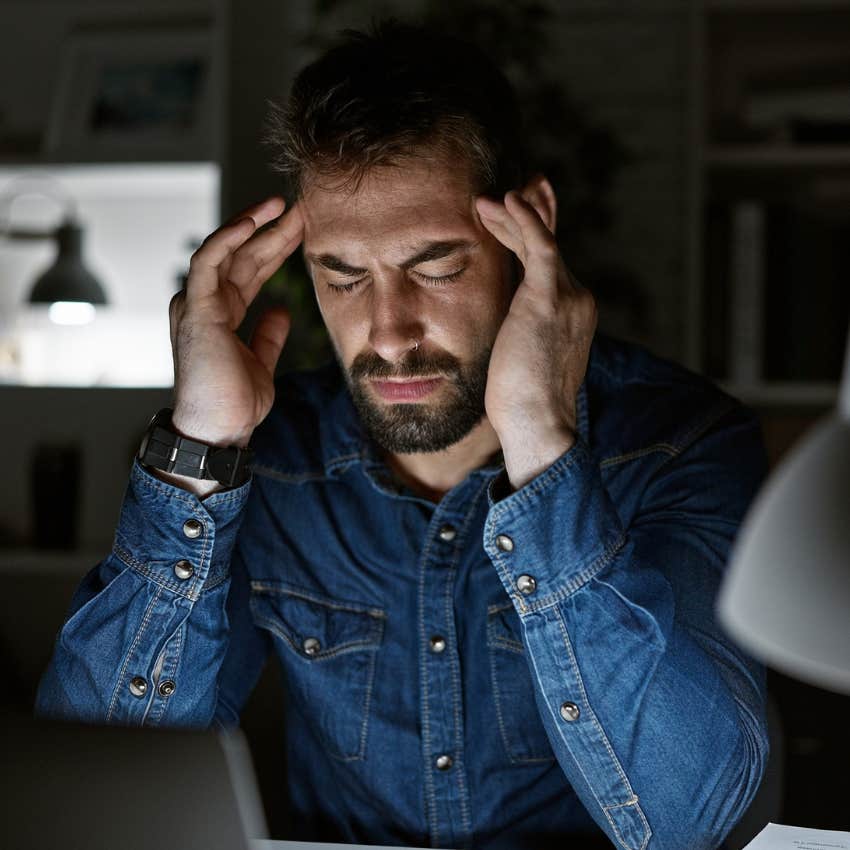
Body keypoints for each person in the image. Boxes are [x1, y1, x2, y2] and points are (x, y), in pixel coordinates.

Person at [36, 22, 769, 850]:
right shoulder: (275, 462)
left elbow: (697, 823)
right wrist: (199, 446)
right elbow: (96, 792)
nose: (387, 332)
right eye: (343, 277)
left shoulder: (679, 445)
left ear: (531, 226)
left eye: (435, 268)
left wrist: (539, 444)